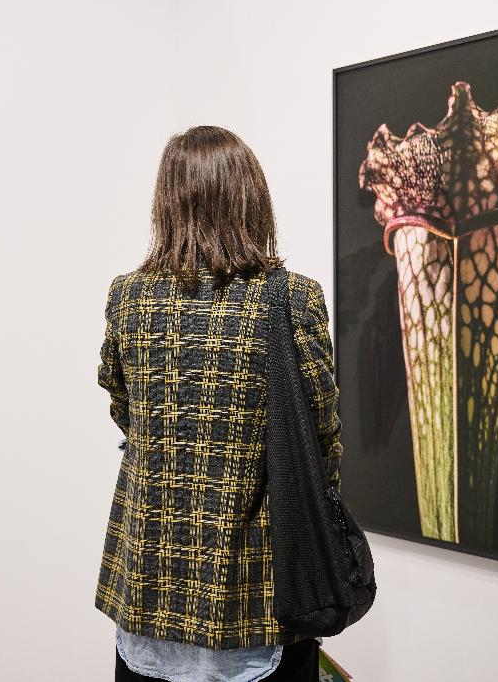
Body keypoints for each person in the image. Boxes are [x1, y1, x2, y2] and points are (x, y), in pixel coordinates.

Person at [95, 126, 342, 682]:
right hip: (258, 588)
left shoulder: (129, 297)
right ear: (253, 199)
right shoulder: (291, 297)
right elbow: (322, 433)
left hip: (150, 582)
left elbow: (123, 407)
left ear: (167, 203)